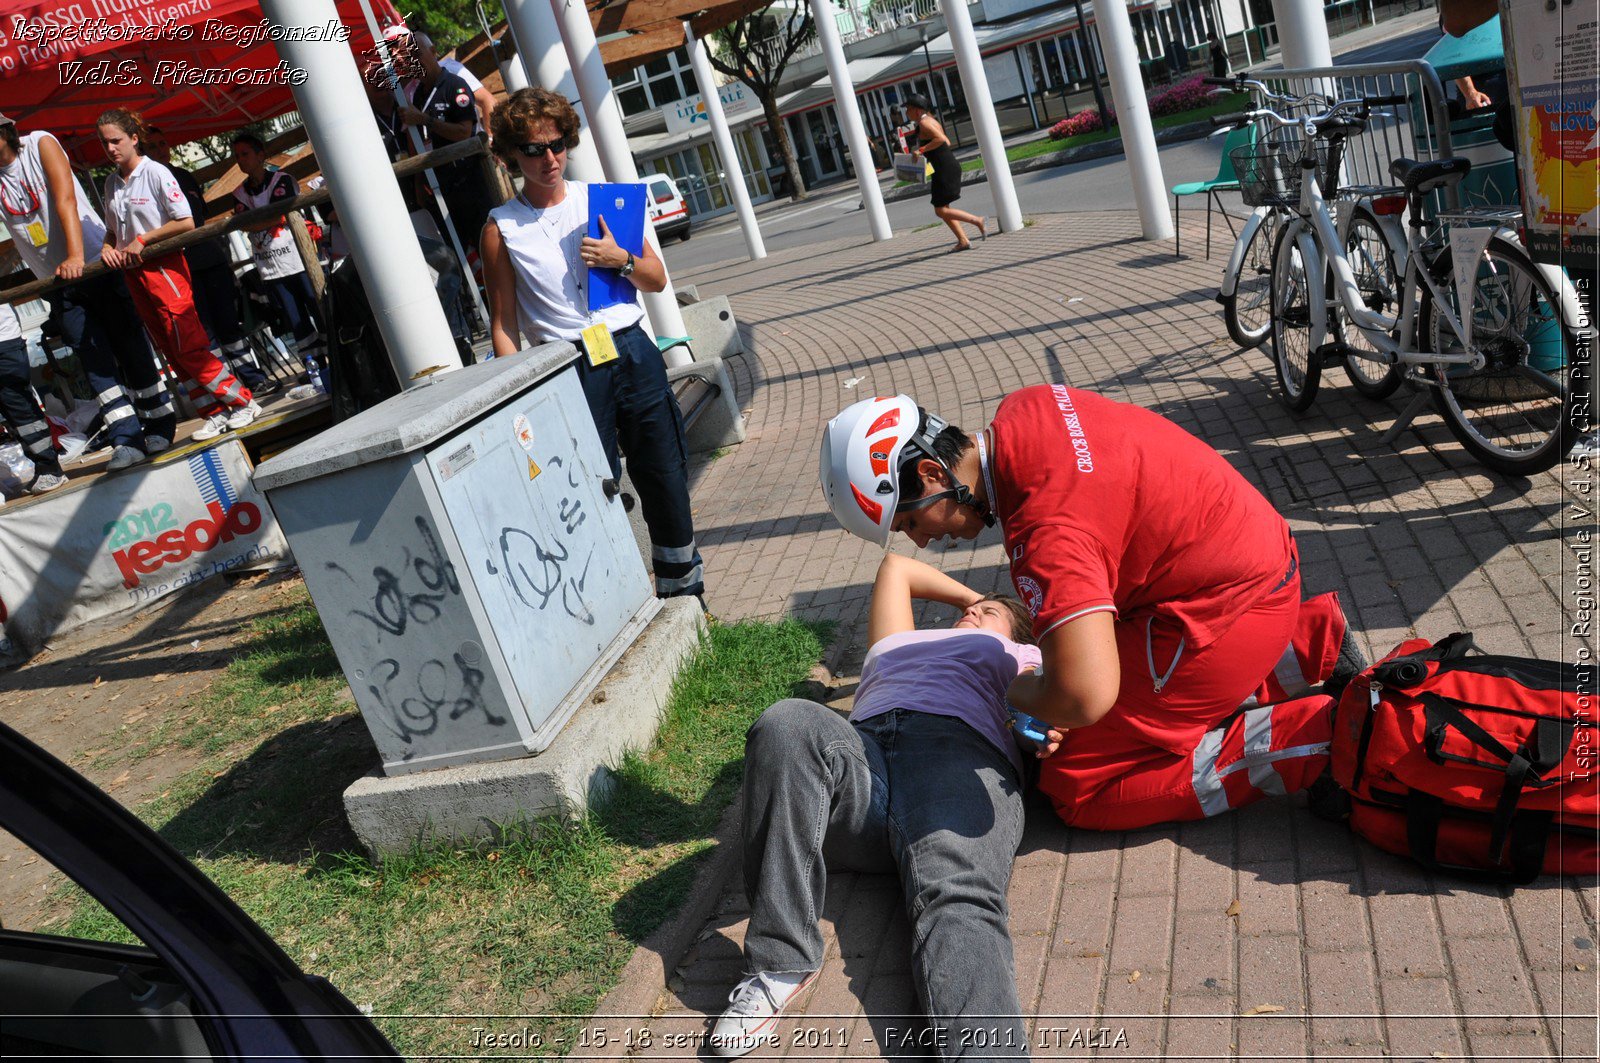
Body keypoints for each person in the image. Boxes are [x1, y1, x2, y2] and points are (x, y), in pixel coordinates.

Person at [820, 390, 1360, 832]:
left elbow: (1084, 695)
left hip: (1220, 612)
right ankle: (1312, 643)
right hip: (1253, 565)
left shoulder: (1045, 533)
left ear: (934, 476)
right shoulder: (1024, 412)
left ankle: (1315, 741)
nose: (921, 540)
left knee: (1078, 782)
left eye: (909, 522)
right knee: (1101, 694)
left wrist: (1010, 691)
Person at [714, 551, 1056, 1059]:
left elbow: (1054, 706)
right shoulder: (899, 643)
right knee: (787, 721)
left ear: (1018, 637)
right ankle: (779, 962)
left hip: (957, 757)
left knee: (956, 896)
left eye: (989, 615)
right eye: (971, 608)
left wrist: (1039, 727)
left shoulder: (1023, 657)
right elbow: (897, 565)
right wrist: (978, 599)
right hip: (861, 764)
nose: (972, 615)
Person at [482, 88, 704, 600]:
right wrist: (513, 402)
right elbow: (504, 323)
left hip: (631, 348)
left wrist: (619, 257)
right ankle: (613, 599)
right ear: (512, 154)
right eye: (534, 149)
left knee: (664, 473)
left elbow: (655, 279)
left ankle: (686, 593)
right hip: (569, 365)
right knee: (587, 485)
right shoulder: (502, 229)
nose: (550, 158)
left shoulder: (602, 200)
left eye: (557, 144)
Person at [0, 112, 177, 479]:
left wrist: (76, 256)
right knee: (94, 360)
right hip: (58, 282)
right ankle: (126, 438)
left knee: (129, 345)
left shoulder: (40, 143)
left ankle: (160, 424)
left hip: (96, 262)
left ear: (5, 132)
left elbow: (64, 198)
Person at [97, 110, 260, 442]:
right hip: (134, 274)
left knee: (188, 342)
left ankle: (242, 400)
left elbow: (185, 221)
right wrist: (106, 247)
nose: (111, 148)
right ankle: (213, 412)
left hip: (164, 266)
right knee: (170, 349)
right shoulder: (111, 182)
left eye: (116, 140)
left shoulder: (156, 172)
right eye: (104, 143)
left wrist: (145, 239)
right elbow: (112, 231)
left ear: (133, 138)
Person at [143, 125, 273, 396]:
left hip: (209, 258)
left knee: (228, 323)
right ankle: (227, 389)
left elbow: (197, 215)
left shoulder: (183, 176)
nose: (160, 150)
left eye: (162, 143)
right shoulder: (144, 185)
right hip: (180, 268)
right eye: (152, 146)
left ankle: (254, 378)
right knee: (204, 332)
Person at [229, 133, 327, 388]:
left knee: (319, 307)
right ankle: (315, 366)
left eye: (245, 154)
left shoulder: (283, 180)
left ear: (261, 155)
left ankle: (338, 357)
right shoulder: (239, 192)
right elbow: (246, 221)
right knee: (295, 319)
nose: (241, 160)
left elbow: (280, 210)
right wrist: (263, 220)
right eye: (237, 156)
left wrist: (257, 221)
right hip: (271, 266)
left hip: (299, 259)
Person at [397, 29, 494, 255]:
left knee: (487, 242)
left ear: (433, 52)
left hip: (471, 179)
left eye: (418, 54)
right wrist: (420, 180)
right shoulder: (418, 93)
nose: (415, 62)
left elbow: (464, 132)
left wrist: (424, 119)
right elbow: (420, 139)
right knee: (457, 250)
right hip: (443, 185)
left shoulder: (454, 85)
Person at [904, 94, 984, 253]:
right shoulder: (928, 121)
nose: (906, 112)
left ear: (918, 110)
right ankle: (963, 240)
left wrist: (921, 150)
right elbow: (947, 142)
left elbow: (941, 139)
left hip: (944, 169)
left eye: (909, 109)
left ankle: (978, 221)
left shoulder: (926, 123)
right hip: (943, 167)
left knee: (940, 210)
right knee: (943, 207)